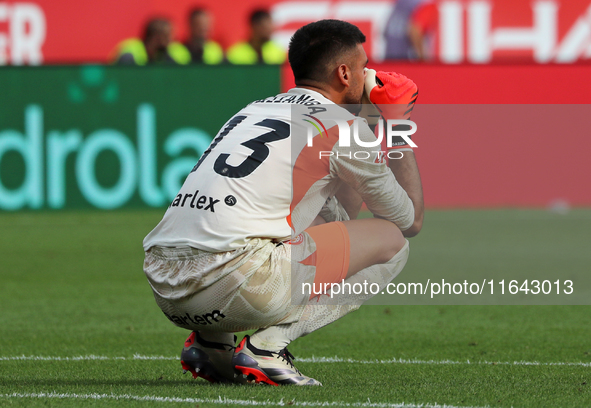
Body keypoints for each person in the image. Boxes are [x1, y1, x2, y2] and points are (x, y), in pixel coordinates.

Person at [142, 19, 423, 386]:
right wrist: (397, 122)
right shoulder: (343, 128)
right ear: (343, 73)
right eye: (363, 66)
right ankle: (267, 348)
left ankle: (213, 345)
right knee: (392, 242)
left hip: (165, 285)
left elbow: (341, 217)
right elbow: (409, 221)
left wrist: (364, 116)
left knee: (307, 218)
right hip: (235, 284)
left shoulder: (253, 109)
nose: (369, 73)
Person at [111, 18, 191, 65]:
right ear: (156, 37)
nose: (172, 40)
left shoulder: (166, 55)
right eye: (167, 36)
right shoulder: (129, 55)